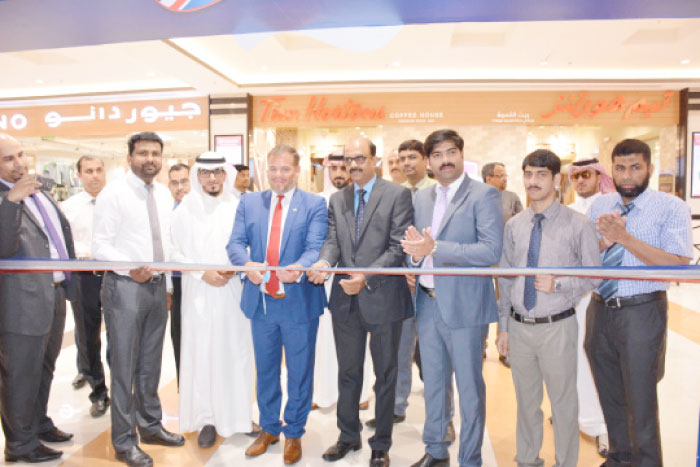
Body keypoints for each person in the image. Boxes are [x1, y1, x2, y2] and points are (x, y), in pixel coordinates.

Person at [586, 139, 692, 467]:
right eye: (620, 168)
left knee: (641, 401)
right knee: (610, 394)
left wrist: (624, 239)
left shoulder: (671, 207)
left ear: (648, 168)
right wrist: (599, 244)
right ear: (611, 169)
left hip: (641, 310)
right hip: (599, 309)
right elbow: (586, 257)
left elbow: (677, 264)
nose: (627, 175)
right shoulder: (598, 205)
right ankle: (619, 458)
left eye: (635, 167)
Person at [401, 129, 503, 467]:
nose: (445, 160)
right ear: (429, 161)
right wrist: (414, 259)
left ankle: (470, 459)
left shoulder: (484, 195)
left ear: (461, 154)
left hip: (466, 307)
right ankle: (436, 451)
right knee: (433, 384)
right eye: (438, 155)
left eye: (451, 152)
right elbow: (415, 248)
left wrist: (436, 248)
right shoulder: (421, 199)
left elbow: (490, 250)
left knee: (470, 389)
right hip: (427, 304)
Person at [310, 136, 414, 467]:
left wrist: (366, 277)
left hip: (384, 299)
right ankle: (348, 436)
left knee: (385, 374)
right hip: (345, 301)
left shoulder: (397, 194)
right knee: (348, 373)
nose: (353, 165)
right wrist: (325, 263)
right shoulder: (337, 199)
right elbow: (333, 241)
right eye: (348, 160)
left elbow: (398, 247)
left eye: (359, 158)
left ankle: (381, 444)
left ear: (375, 159)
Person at [496, 149, 601, 467]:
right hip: (519, 326)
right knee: (526, 402)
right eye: (528, 174)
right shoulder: (514, 225)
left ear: (557, 179)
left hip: (558, 325)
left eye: (541, 174)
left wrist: (560, 285)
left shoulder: (578, 224)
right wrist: (502, 327)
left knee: (563, 403)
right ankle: (527, 459)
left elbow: (593, 275)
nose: (533, 181)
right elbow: (505, 277)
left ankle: (566, 462)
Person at [227, 144, 328, 465]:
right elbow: (234, 243)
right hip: (262, 303)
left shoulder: (314, 204)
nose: (278, 175)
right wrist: (246, 265)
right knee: (266, 369)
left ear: (297, 171)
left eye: (285, 169)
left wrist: (298, 266)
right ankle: (269, 427)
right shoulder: (249, 202)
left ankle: (294, 432)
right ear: (265, 170)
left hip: (298, 301)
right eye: (273, 169)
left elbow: (315, 246)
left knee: (299, 372)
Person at [93, 131, 185, 467]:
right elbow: (100, 245)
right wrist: (131, 268)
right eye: (143, 153)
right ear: (130, 156)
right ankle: (123, 441)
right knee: (124, 368)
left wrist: (171, 284)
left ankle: (150, 426)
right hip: (124, 288)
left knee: (151, 365)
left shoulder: (162, 194)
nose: (150, 159)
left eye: (155, 153)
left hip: (157, 288)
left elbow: (168, 243)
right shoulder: (113, 194)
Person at [171, 153, 255, 448]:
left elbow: (250, 246)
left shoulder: (238, 207)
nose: (212, 179)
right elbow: (174, 254)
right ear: (198, 176)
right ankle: (206, 418)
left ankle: (240, 415)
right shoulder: (184, 210)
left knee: (237, 352)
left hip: (233, 293)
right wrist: (202, 273)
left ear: (225, 175)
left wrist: (234, 269)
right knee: (203, 354)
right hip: (199, 295)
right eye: (206, 173)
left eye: (217, 172)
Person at [0, 132, 75, 463]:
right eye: (8, 159)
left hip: (53, 293)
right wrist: (11, 202)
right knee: (19, 374)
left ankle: (38, 423)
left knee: (44, 368)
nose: (19, 163)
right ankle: (20, 445)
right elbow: (4, 247)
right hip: (20, 303)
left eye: (21, 154)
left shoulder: (37, 190)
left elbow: (57, 233)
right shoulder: (10, 198)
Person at [314, 152, 373, 411]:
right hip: (321, 280)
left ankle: (360, 394)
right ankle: (322, 392)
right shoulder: (317, 200)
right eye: (334, 168)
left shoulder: (361, 199)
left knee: (360, 340)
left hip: (356, 280)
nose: (339, 173)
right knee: (322, 339)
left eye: (343, 167)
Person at [567, 157, 614, 457]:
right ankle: (582, 416)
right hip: (572, 299)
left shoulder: (612, 208)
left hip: (604, 298)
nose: (581, 181)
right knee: (575, 359)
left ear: (599, 176)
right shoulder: (567, 211)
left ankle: (606, 428)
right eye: (576, 176)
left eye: (587, 174)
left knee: (602, 362)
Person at [61, 155, 110, 418]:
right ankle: (98, 393)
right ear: (79, 175)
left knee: (121, 336)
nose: (94, 175)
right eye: (88, 171)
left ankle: (126, 391)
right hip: (84, 278)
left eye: (99, 170)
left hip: (115, 276)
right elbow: (64, 244)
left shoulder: (117, 202)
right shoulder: (68, 207)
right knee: (88, 337)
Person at [167, 163, 190, 385]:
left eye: (184, 181)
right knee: (180, 338)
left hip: (209, 285)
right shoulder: (166, 213)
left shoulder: (204, 210)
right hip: (178, 284)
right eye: (175, 183)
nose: (180, 187)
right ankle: (185, 390)